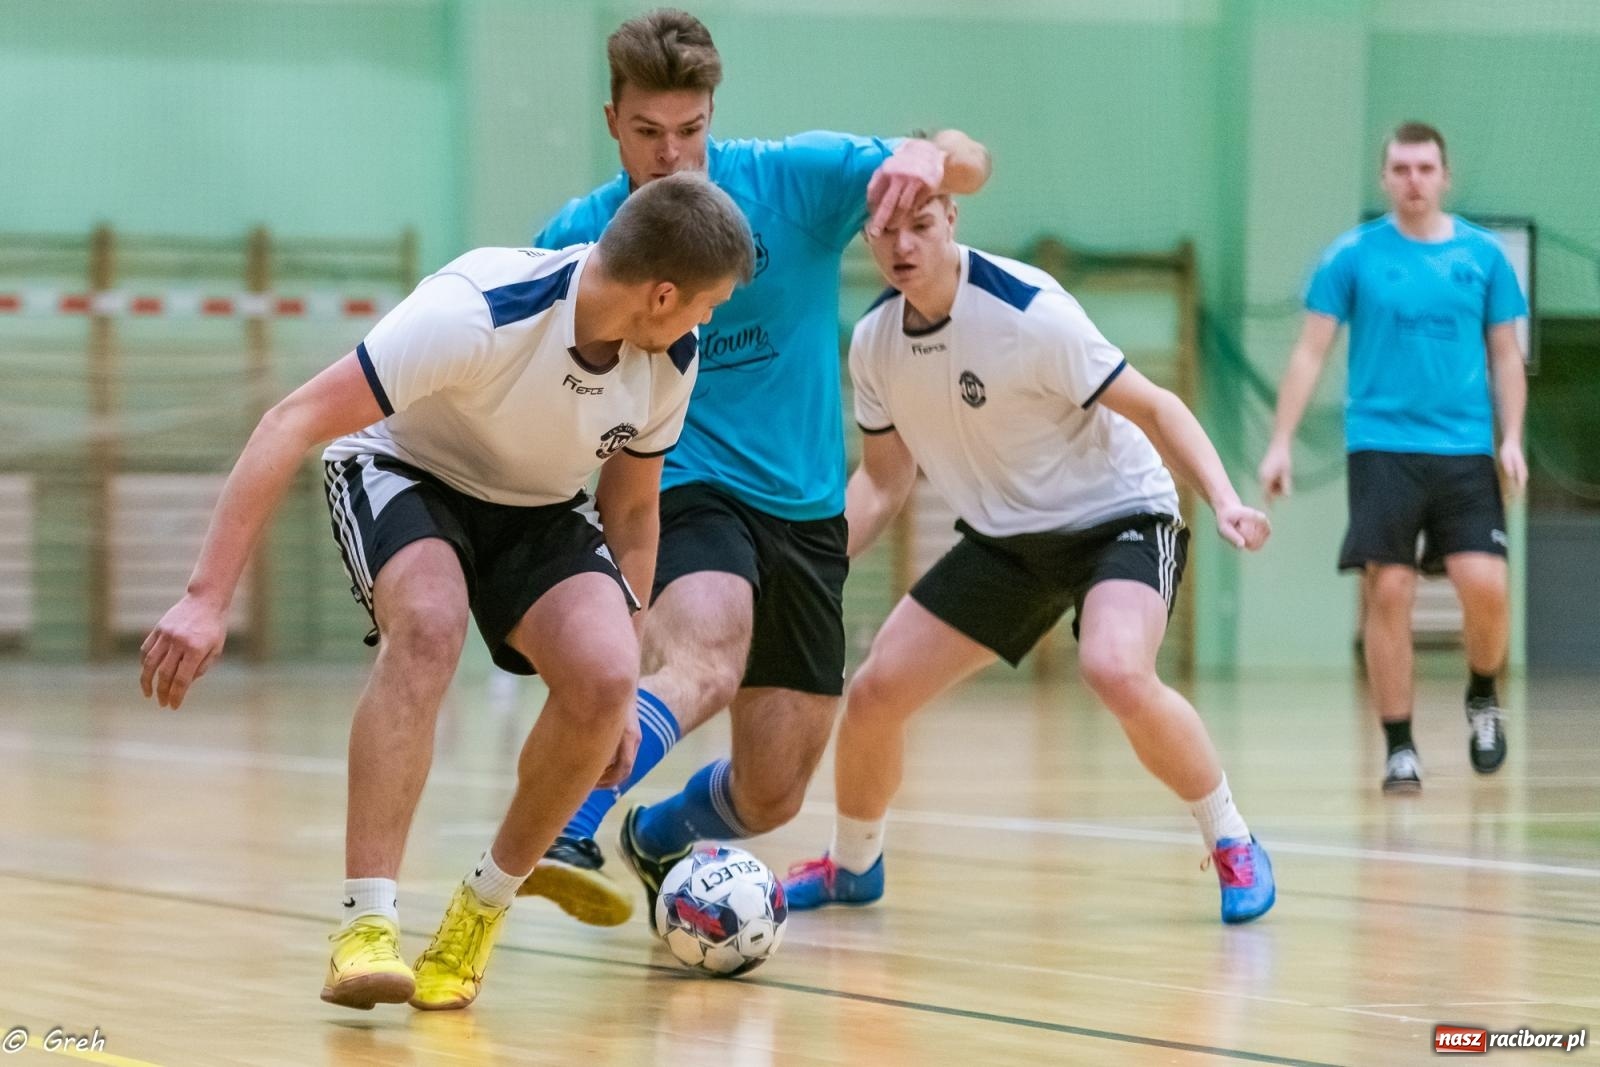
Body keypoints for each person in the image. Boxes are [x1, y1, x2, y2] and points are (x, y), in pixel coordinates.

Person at [138, 173, 754, 1010]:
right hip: (402, 470)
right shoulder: (480, 310)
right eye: (706, 302)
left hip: (537, 507)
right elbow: (290, 420)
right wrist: (206, 597)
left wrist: (628, 646)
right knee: (429, 625)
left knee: (608, 678)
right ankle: (365, 924)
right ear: (662, 292)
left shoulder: (668, 357)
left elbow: (635, 510)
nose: (706, 321)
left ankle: (479, 911)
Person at [516, 7, 991, 926]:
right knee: (707, 648)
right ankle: (565, 824)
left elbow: (965, 160)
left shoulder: (791, 183)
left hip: (806, 512)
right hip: (678, 488)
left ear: (712, 120)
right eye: (649, 133)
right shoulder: (579, 239)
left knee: (773, 792)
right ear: (613, 122)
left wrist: (935, 156)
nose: (672, 156)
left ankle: (655, 838)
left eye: (690, 131)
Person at [781, 195, 1277, 925]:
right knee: (876, 691)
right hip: (1006, 540)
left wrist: (1225, 499)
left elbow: (1159, 407)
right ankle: (853, 863)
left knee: (1114, 667)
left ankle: (1232, 838)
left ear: (952, 217)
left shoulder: (1029, 313)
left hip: (1120, 516)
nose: (902, 244)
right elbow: (885, 480)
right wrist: (817, 562)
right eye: (884, 229)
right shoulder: (876, 342)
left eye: (920, 224)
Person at [1257, 122, 1528, 794]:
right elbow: (1309, 352)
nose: (1414, 180)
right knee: (1389, 589)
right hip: (1382, 446)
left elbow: (1504, 354)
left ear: (1445, 176)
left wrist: (1512, 436)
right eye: (1401, 169)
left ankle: (1483, 693)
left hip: (1463, 447)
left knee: (1486, 585)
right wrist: (1281, 442)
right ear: (1384, 178)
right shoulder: (1352, 256)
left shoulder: (1484, 257)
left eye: (1425, 168)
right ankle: (1400, 745)